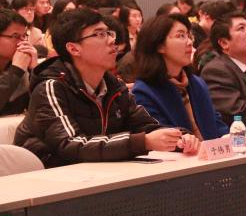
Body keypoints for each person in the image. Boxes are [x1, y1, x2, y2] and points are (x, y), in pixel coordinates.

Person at [13, 9, 199, 167]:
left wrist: (179, 138)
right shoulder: (51, 87)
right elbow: (71, 144)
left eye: (110, 33)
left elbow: (146, 126)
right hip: (45, 178)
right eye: (100, 34)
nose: (111, 41)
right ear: (74, 49)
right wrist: (142, 142)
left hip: (95, 174)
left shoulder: (114, 86)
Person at [132, 14, 228, 140]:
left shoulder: (197, 83)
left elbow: (217, 123)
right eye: (181, 36)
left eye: (189, 36)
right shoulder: (144, 92)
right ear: (159, 46)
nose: (190, 42)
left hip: (212, 151)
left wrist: (229, 138)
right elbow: (162, 138)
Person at [0, 9, 37, 115]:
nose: (23, 42)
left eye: (24, 36)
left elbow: (43, 107)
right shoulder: (18, 68)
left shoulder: (22, 66)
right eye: (16, 36)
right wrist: (16, 71)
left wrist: (35, 71)